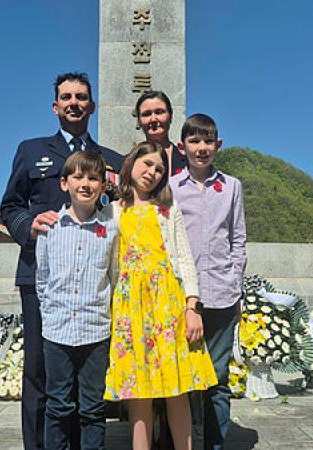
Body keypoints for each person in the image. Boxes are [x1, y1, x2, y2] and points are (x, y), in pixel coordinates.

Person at [0, 72, 124, 450]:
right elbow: (11, 205)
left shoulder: (113, 162)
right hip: (40, 276)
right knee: (40, 372)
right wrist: (28, 226)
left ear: (92, 106)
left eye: (81, 96)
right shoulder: (30, 149)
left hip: (91, 288)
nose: (74, 102)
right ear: (55, 106)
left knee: (85, 380)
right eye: (66, 97)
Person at [104, 141, 218, 450]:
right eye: (146, 164)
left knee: (176, 387)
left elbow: (184, 258)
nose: (152, 172)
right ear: (131, 165)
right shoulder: (112, 210)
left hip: (168, 304)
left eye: (158, 168)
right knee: (138, 390)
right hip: (130, 308)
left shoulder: (168, 210)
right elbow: (105, 262)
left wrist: (191, 306)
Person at [170, 114, 247, 450]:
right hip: (180, 296)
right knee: (180, 379)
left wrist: (234, 276)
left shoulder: (231, 186)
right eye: (194, 141)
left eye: (207, 141)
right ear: (182, 147)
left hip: (221, 295)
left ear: (218, 145)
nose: (201, 148)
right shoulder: (171, 187)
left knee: (217, 379)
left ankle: (215, 444)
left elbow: (238, 238)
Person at [36, 150, 119, 450]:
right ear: (64, 184)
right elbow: (42, 280)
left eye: (93, 178)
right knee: (58, 406)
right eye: (78, 177)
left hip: (95, 332)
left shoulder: (110, 231)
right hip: (57, 333)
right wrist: (51, 316)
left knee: (93, 409)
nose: (85, 184)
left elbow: (114, 278)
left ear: (103, 185)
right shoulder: (50, 227)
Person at [135, 91, 188, 176]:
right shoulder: (129, 162)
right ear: (139, 121)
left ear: (170, 116)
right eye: (146, 114)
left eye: (159, 112)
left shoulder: (189, 161)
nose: (153, 119)